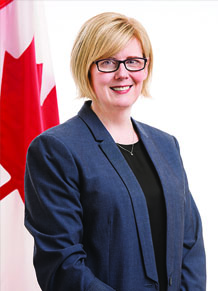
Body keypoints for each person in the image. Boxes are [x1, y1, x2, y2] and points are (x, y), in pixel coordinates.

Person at [24, 12, 206, 291]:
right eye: (108, 62)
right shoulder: (56, 150)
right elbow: (61, 264)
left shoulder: (166, 145)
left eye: (133, 61)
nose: (123, 73)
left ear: (146, 68)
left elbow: (190, 243)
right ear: (87, 69)